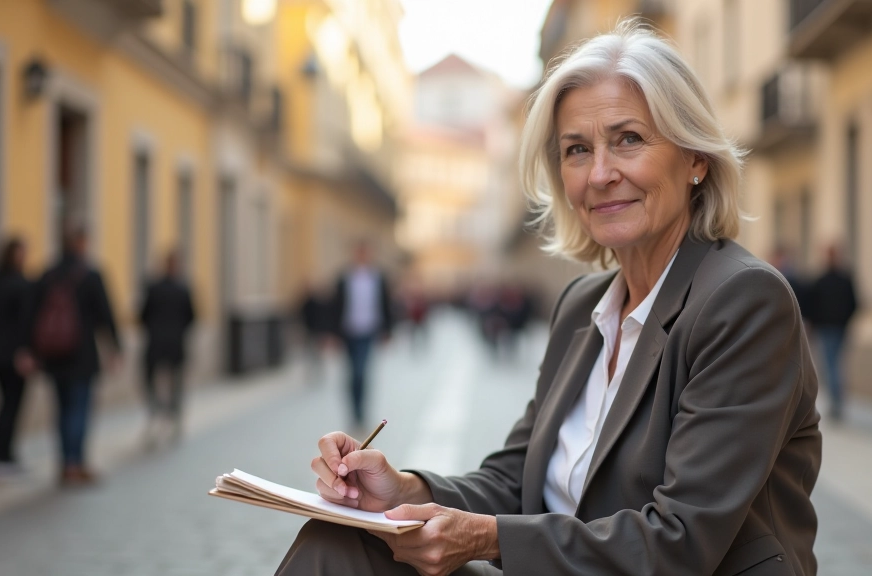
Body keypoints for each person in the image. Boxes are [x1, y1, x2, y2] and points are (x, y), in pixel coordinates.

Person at [276, 22, 821, 576]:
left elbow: (681, 541)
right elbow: (517, 480)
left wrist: (486, 539)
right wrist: (400, 490)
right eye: (577, 150)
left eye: (628, 139)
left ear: (695, 159)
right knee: (336, 542)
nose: (600, 174)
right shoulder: (581, 308)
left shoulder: (742, 301)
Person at [26, 227, 121, 486]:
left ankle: (65, 461)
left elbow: (32, 316)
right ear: (81, 244)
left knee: (62, 408)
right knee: (79, 408)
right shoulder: (90, 275)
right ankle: (75, 463)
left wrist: (31, 350)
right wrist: (115, 348)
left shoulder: (47, 274)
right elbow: (106, 314)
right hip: (82, 355)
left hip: (54, 356)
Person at [0, 238, 35, 475]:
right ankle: (4, 453)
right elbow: (25, 322)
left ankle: (0, 452)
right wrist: (26, 351)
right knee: (12, 403)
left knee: (3, 403)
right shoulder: (21, 285)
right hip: (15, 352)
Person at [332, 242, 393, 427]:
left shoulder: (378, 277)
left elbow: (386, 304)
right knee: (352, 373)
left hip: (368, 330)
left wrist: (387, 330)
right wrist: (332, 334)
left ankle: (360, 411)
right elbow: (335, 306)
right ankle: (354, 410)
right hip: (348, 331)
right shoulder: (344, 277)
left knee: (362, 372)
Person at [139, 250, 196, 443]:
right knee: (173, 383)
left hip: (156, 342)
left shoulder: (154, 288)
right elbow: (191, 316)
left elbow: (143, 315)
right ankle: (170, 415)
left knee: (157, 382)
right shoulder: (182, 289)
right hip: (174, 343)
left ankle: (159, 414)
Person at [809, 245, 858, 421]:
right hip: (831, 328)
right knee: (835, 365)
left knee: (831, 366)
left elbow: (854, 303)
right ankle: (836, 402)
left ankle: (836, 403)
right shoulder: (830, 279)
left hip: (832, 328)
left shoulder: (831, 279)